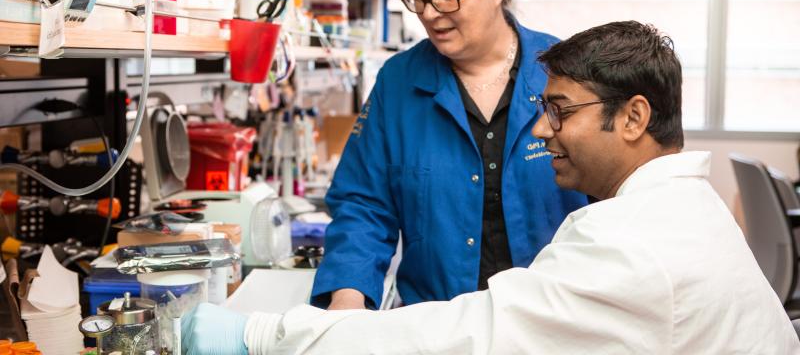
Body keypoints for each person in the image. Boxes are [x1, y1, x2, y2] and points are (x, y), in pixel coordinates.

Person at [181, 20, 800, 354]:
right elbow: (365, 202)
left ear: (633, 118)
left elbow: (470, 333)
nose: (541, 129)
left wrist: (260, 335)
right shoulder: (685, 207)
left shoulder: (629, 246)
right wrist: (345, 309)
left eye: (558, 111)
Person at [312, 0, 587, 311]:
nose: (428, 12)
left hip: (552, 319)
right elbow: (363, 204)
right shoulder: (399, 82)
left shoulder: (563, 70)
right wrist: (347, 298)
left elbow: (608, 193)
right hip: (434, 323)